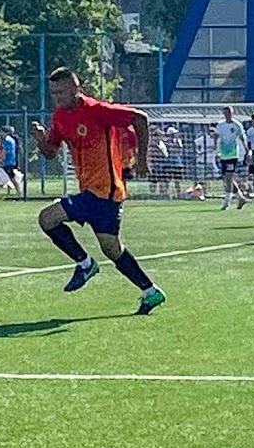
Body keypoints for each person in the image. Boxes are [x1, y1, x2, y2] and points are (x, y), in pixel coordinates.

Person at [30, 66, 166, 315]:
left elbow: (140, 118)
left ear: (75, 88)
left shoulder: (97, 110)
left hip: (104, 192)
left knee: (47, 218)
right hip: (95, 194)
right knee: (112, 249)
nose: (57, 98)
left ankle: (85, 264)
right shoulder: (60, 116)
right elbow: (51, 152)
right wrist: (40, 140)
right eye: (53, 93)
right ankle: (150, 291)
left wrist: (142, 158)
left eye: (61, 92)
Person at [216, 106, 249, 210]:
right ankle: (241, 198)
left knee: (229, 178)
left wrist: (247, 151)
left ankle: (227, 203)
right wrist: (215, 149)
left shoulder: (237, 125)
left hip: (233, 155)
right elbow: (217, 136)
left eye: (229, 112)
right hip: (223, 155)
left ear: (232, 113)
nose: (227, 114)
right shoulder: (220, 125)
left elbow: (242, 138)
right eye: (225, 113)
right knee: (227, 179)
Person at [162, 126, 184, 199]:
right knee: (166, 181)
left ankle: (179, 195)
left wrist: (176, 143)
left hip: (177, 163)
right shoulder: (165, 142)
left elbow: (179, 150)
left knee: (177, 181)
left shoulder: (178, 141)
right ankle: (165, 195)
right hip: (168, 163)